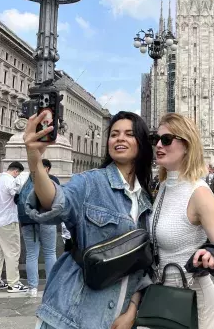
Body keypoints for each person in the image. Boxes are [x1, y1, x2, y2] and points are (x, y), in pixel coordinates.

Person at [24, 110, 153, 329]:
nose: (120, 138)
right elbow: (54, 202)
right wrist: (34, 159)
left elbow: (143, 267)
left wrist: (131, 312)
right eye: (114, 134)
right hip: (72, 314)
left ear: (141, 142)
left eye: (129, 134)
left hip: (118, 318)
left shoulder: (146, 200)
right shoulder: (90, 182)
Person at [152, 113, 214, 329]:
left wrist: (213, 256)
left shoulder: (200, 193)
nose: (158, 145)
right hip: (162, 293)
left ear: (187, 145)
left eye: (166, 139)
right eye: (156, 138)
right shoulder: (163, 186)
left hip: (191, 299)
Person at [17, 159, 59, 297]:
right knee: (50, 253)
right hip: (47, 219)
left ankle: (32, 288)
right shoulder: (52, 180)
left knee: (31, 254)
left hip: (28, 221)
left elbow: (16, 200)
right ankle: (51, 285)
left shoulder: (24, 180)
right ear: (47, 169)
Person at [0, 162, 28, 293]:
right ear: (16, 172)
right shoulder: (11, 181)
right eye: (18, 174)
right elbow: (16, 194)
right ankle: (13, 283)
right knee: (12, 253)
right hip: (8, 221)